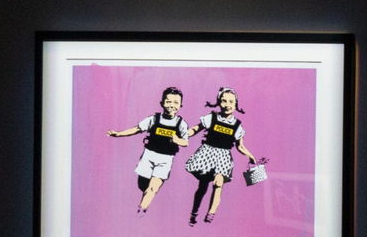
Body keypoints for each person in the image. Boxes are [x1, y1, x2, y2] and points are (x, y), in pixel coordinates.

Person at [106, 86, 190, 214]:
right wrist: (118, 134)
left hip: (165, 159)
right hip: (148, 156)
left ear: (180, 105)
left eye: (175, 103)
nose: (171, 105)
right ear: (162, 103)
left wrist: (178, 140)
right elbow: (137, 129)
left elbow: (185, 142)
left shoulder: (181, 124)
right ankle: (143, 203)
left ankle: (141, 210)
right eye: (168, 102)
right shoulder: (153, 119)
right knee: (142, 186)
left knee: (152, 188)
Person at [184, 87, 258, 226]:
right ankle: (194, 212)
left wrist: (250, 156)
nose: (227, 105)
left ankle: (211, 213)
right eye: (224, 101)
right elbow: (196, 129)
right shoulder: (211, 117)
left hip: (223, 157)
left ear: (236, 104)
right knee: (203, 186)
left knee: (218, 183)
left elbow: (240, 146)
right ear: (218, 102)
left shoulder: (237, 126)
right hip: (207, 154)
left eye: (231, 102)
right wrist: (184, 134)